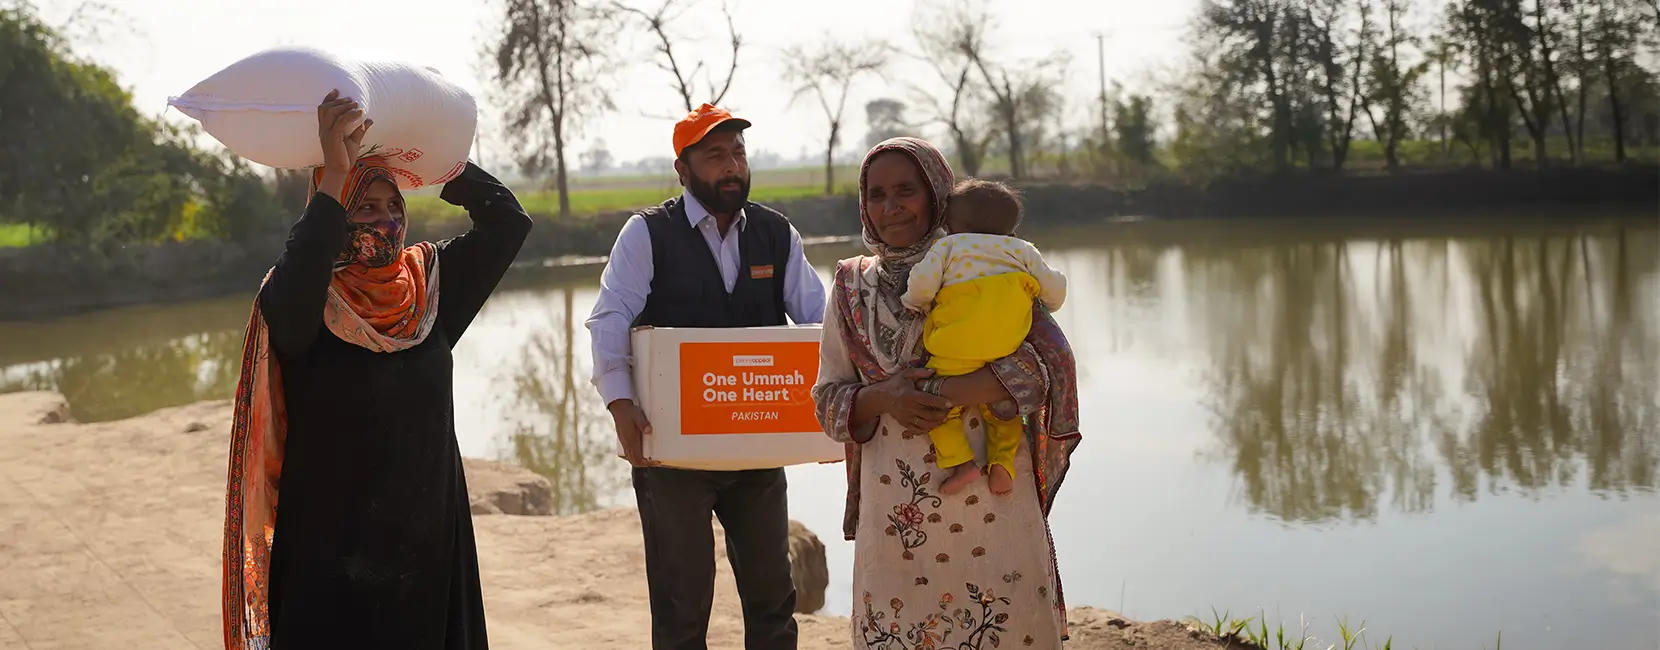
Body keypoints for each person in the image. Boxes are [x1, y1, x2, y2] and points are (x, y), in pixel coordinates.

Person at [222, 90, 531, 650]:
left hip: (427, 544)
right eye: (365, 208)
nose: (386, 221)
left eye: (394, 207)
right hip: (331, 552)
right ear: (334, 215)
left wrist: (442, 161)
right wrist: (337, 173)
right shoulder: (303, 301)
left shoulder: (429, 289)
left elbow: (507, 223)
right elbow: (300, 270)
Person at [811, 137, 1081, 649]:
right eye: (876, 194)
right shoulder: (850, 285)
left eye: (906, 190)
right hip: (897, 512)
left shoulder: (986, 259)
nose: (890, 207)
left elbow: (1048, 366)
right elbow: (828, 401)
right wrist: (886, 397)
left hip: (993, 495)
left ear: (938, 195)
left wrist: (950, 390)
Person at [585, 103, 826, 649]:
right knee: (681, 608)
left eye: (738, 152)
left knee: (773, 601)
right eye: (716, 155)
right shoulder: (647, 234)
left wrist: (839, 410)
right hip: (672, 451)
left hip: (758, 444)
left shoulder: (775, 233)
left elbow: (821, 323)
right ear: (683, 169)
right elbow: (610, 319)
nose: (732, 165)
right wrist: (621, 406)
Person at [900, 179, 1067, 496]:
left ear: (951, 225)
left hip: (955, 346)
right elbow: (1055, 291)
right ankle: (1002, 463)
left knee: (935, 404)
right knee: (1004, 408)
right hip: (1007, 346)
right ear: (1010, 228)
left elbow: (922, 285)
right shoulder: (1022, 250)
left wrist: (914, 302)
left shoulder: (948, 247)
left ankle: (962, 463)